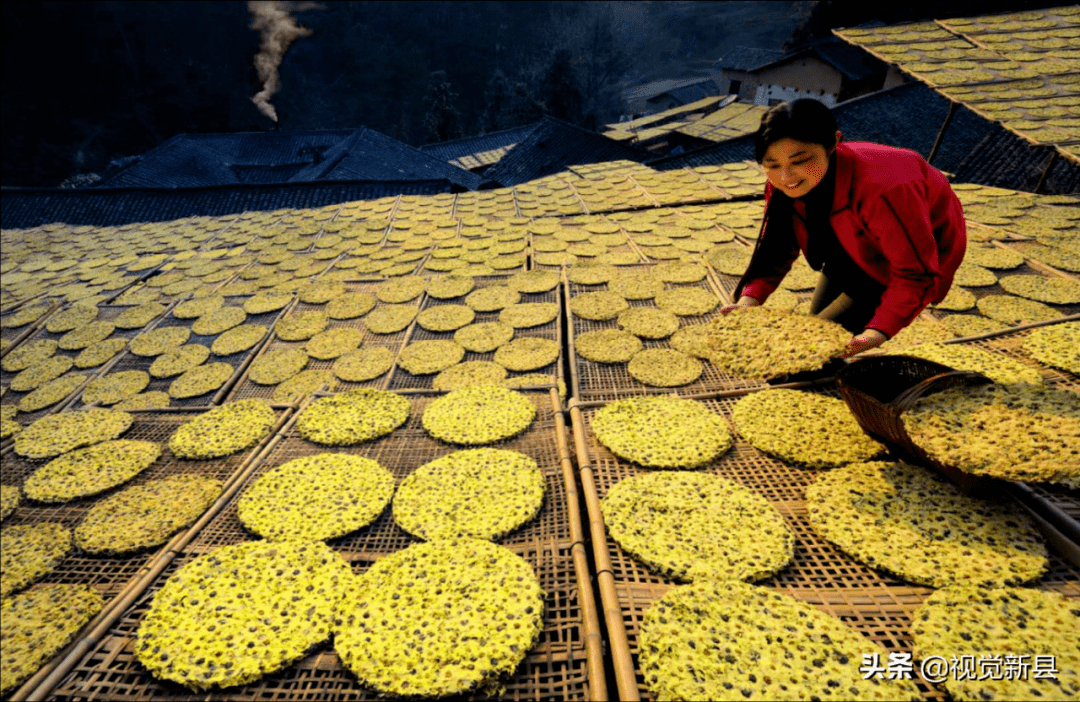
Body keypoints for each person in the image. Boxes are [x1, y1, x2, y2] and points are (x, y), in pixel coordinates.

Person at [720, 98, 967, 356]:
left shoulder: (884, 189)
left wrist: (877, 332)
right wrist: (750, 298)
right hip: (847, 245)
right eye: (772, 165)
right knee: (814, 334)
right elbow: (778, 246)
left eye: (800, 160)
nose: (786, 176)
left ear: (834, 143)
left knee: (813, 351)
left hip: (905, 253)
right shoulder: (783, 184)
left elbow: (915, 272)